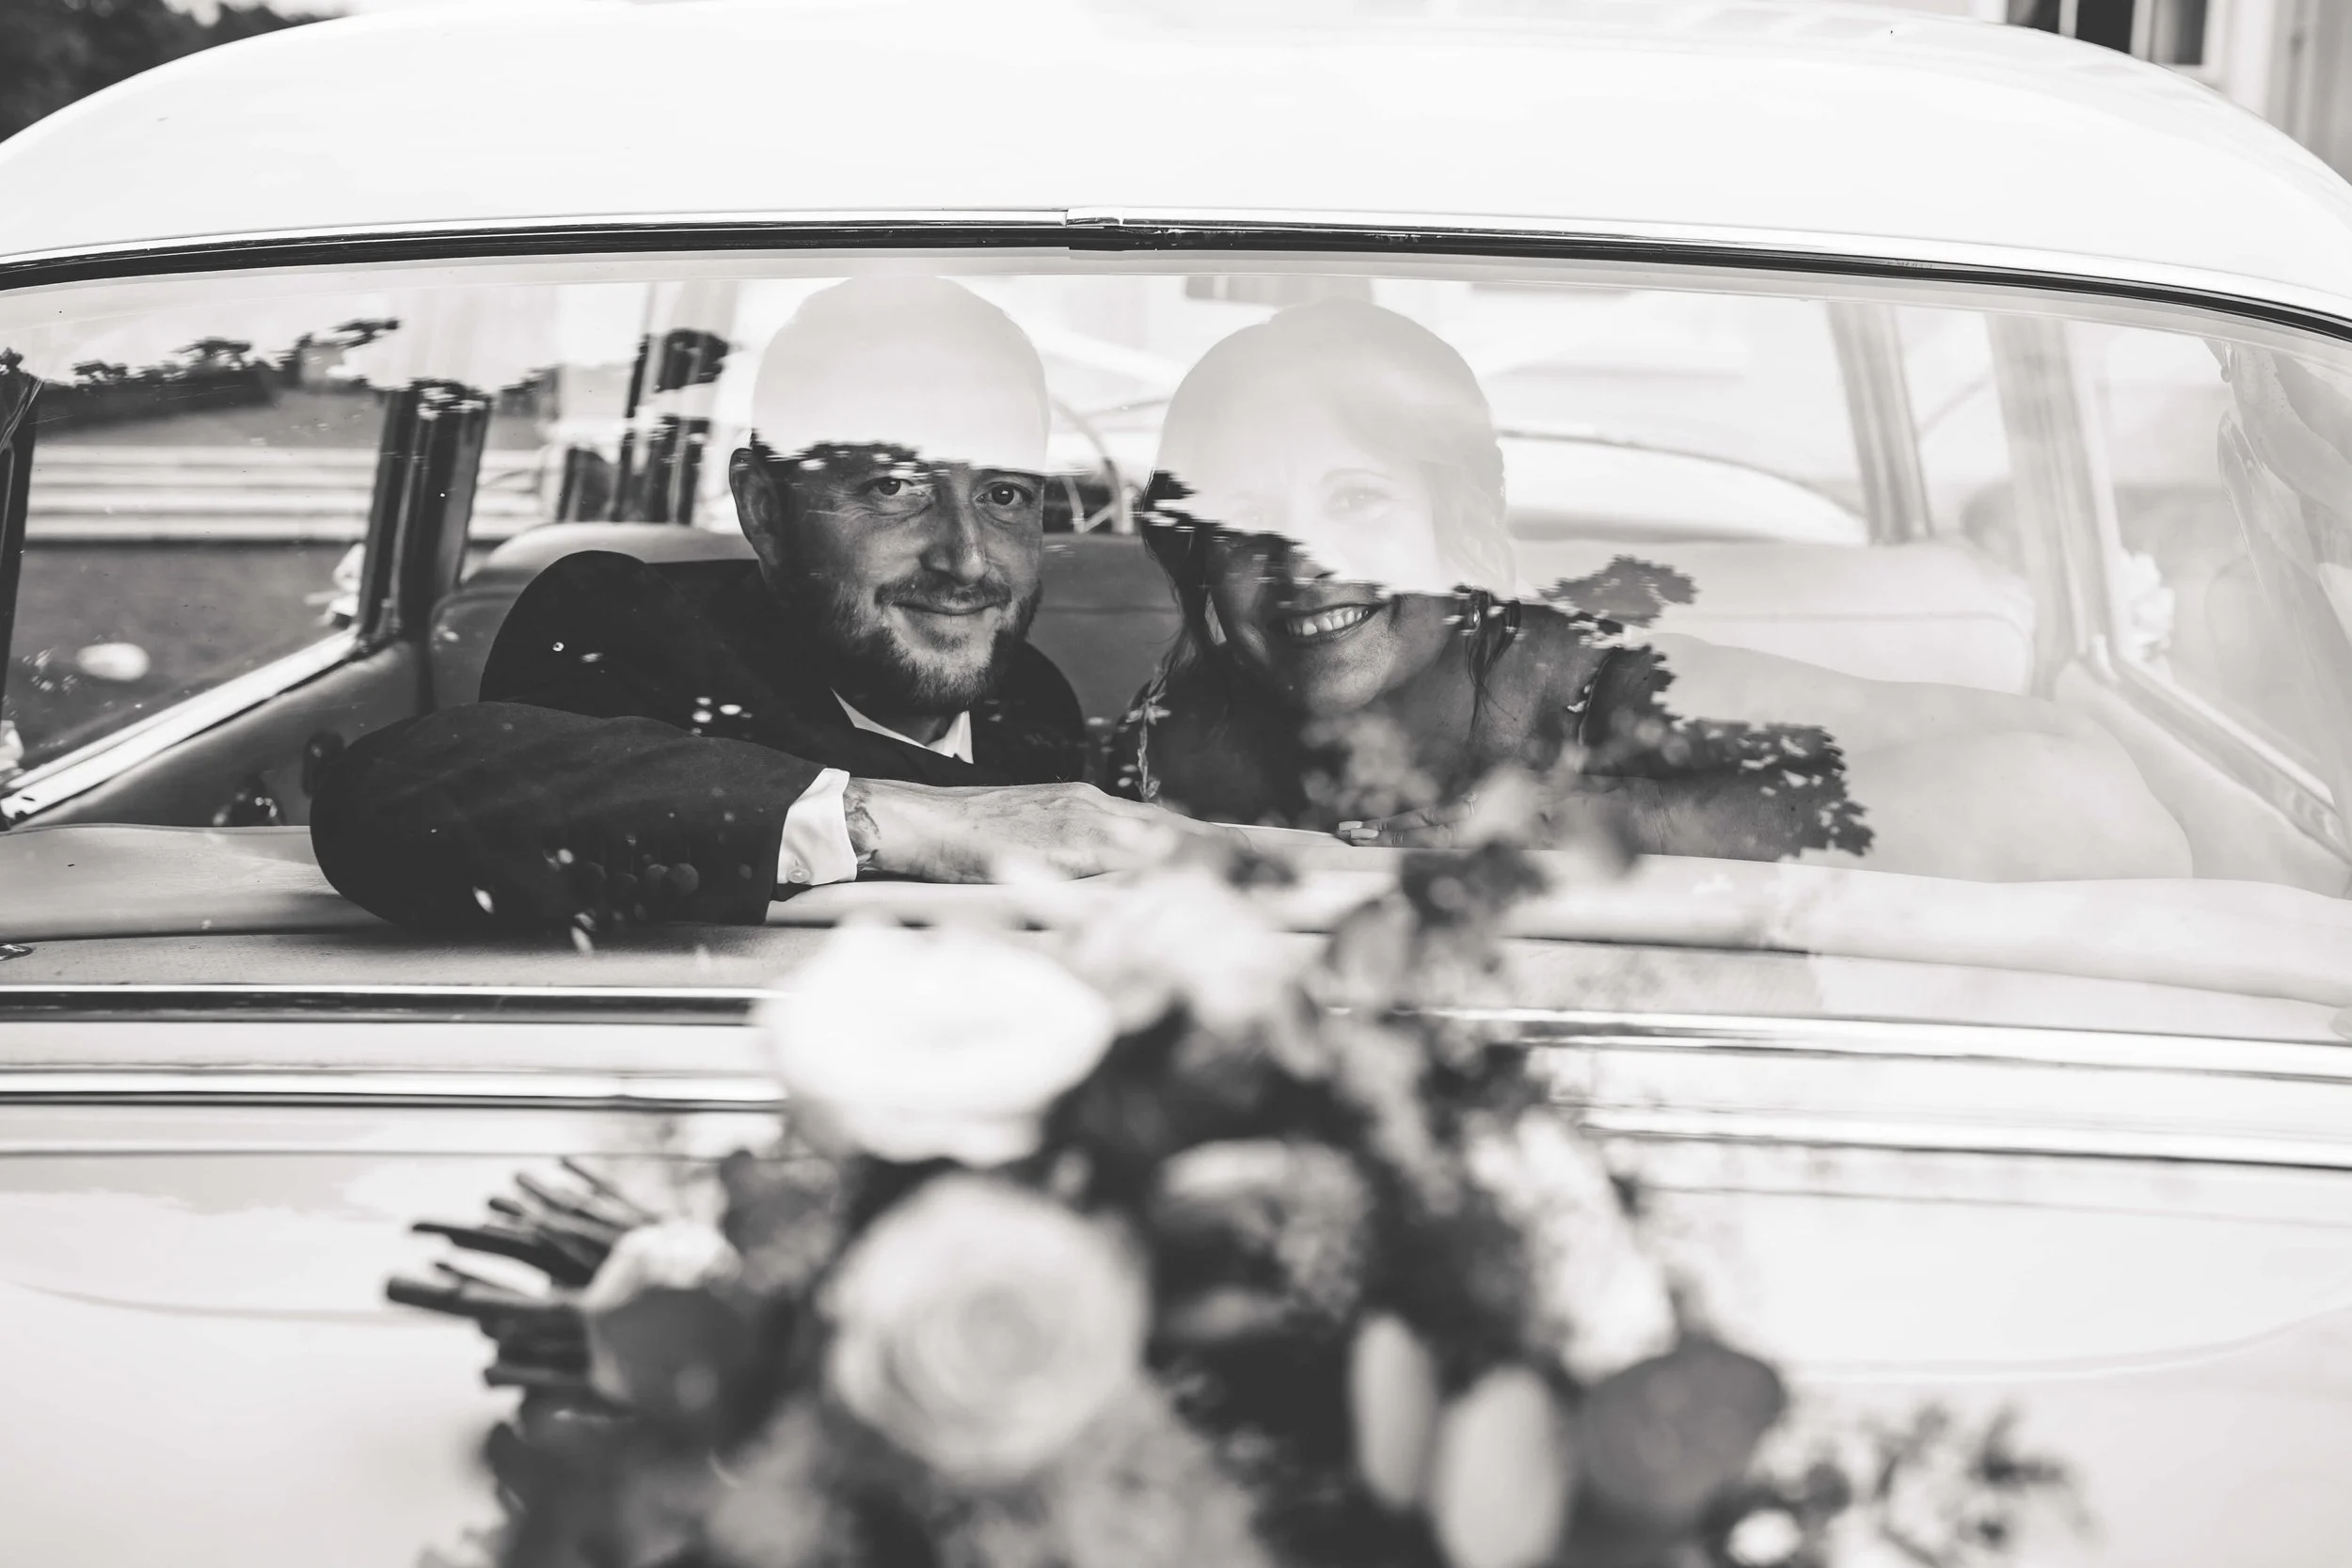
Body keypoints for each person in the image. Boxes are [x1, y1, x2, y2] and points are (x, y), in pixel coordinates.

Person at [1108, 301, 2192, 881]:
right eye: (1247, 520)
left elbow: (2092, 806)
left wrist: (1598, 821)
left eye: (1355, 499)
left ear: (1458, 524)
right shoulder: (1159, 739)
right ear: (1195, 561)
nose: (1303, 562)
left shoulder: (1607, 694)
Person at [312, 277, 1196, 933]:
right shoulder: (623, 624)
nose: (965, 559)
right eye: (894, 486)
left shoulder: (1025, 699)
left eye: (1005, 493)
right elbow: (399, 795)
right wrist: (892, 820)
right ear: (766, 509)